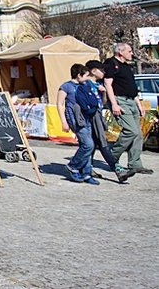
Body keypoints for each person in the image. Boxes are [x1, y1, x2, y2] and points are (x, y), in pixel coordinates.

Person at [104, 43, 152, 175]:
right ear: (120, 52)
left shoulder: (126, 67)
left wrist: (139, 105)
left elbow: (132, 87)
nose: (132, 53)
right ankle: (112, 157)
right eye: (129, 51)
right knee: (131, 131)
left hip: (131, 100)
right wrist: (114, 104)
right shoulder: (111, 64)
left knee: (138, 134)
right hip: (120, 100)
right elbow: (108, 84)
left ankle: (135, 164)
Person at [82, 60, 132, 183]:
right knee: (102, 144)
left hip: (98, 115)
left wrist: (103, 93)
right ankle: (118, 170)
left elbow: (103, 103)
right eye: (101, 70)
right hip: (91, 117)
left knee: (93, 144)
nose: (104, 72)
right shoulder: (86, 84)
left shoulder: (98, 84)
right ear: (93, 71)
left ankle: (87, 168)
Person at [57, 64, 98, 184]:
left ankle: (86, 173)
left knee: (86, 145)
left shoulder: (84, 85)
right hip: (75, 119)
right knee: (88, 145)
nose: (87, 78)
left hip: (86, 117)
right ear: (79, 75)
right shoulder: (66, 87)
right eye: (86, 75)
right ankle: (73, 166)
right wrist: (64, 121)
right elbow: (59, 104)